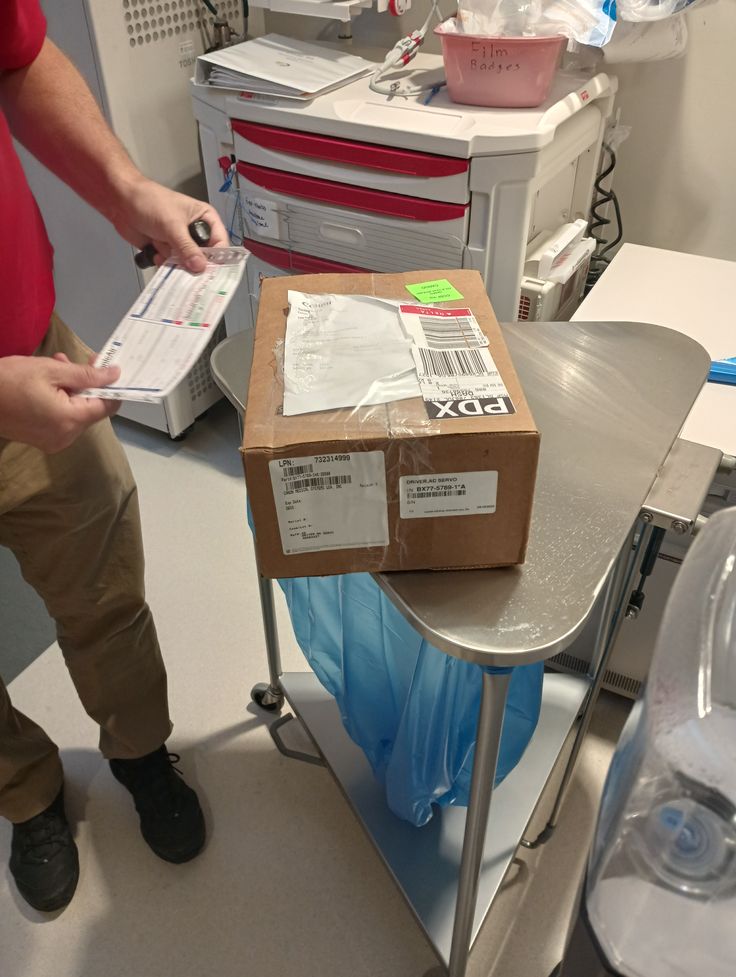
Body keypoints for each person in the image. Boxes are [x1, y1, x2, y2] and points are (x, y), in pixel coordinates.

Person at [0, 0, 230, 913]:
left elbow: (17, 58)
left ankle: (138, 751)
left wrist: (126, 189)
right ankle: (27, 791)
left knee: (103, 580)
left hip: (34, 340)